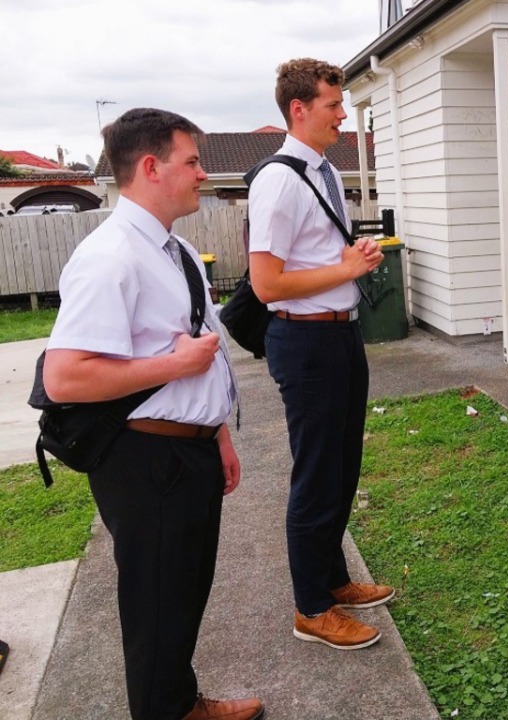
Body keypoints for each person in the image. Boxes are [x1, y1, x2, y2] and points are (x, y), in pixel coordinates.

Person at [43, 108, 263, 720]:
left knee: (182, 595)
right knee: (156, 605)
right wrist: (173, 369)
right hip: (144, 459)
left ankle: (179, 702)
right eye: (191, 161)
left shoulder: (177, 250)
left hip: (185, 447)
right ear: (150, 166)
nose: (202, 174)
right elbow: (65, 377)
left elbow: (198, 346)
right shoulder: (109, 257)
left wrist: (216, 432)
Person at [248, 59, 392, 649]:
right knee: (315, 475)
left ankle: (332, 582)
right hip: (305, 342)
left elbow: (315, 257)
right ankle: (310, 607)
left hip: (339, 334)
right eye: (334, 105)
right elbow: (267, 285)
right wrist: (344, 268)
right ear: (299, 110)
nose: (343, 114)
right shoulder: (279, 180)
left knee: (341, 468)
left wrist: (349, 257)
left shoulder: (324, 169)